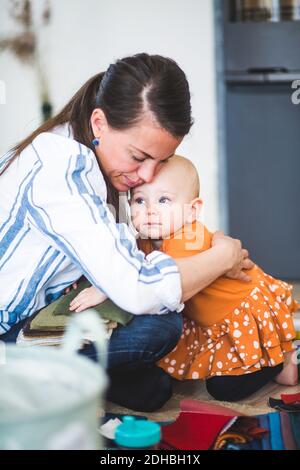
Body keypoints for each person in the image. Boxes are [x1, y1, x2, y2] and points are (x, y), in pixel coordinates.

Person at [0, 53, 252, 411]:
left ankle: (85, 377)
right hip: (7, 332)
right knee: (160, 327)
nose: (147, 177)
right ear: (99, 123)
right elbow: (137, 288)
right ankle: (38, 381)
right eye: (138, 156)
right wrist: (222, 256)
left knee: (152, 370)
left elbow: (124, 259)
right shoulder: (61, 169)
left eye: (161, 161)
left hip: (42, 309)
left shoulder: (97, 154)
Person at [77, 155, 299, 402]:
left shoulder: (188, 237)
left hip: (240, 314)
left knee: (224, 389)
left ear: (192, 210)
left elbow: (155, 278)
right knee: (177, 366)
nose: (150, 211)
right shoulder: (145, 238)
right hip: (209, 320)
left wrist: (108, 287)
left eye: (163, 200)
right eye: (140, 200)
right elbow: (125, 261)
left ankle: (281, 358)